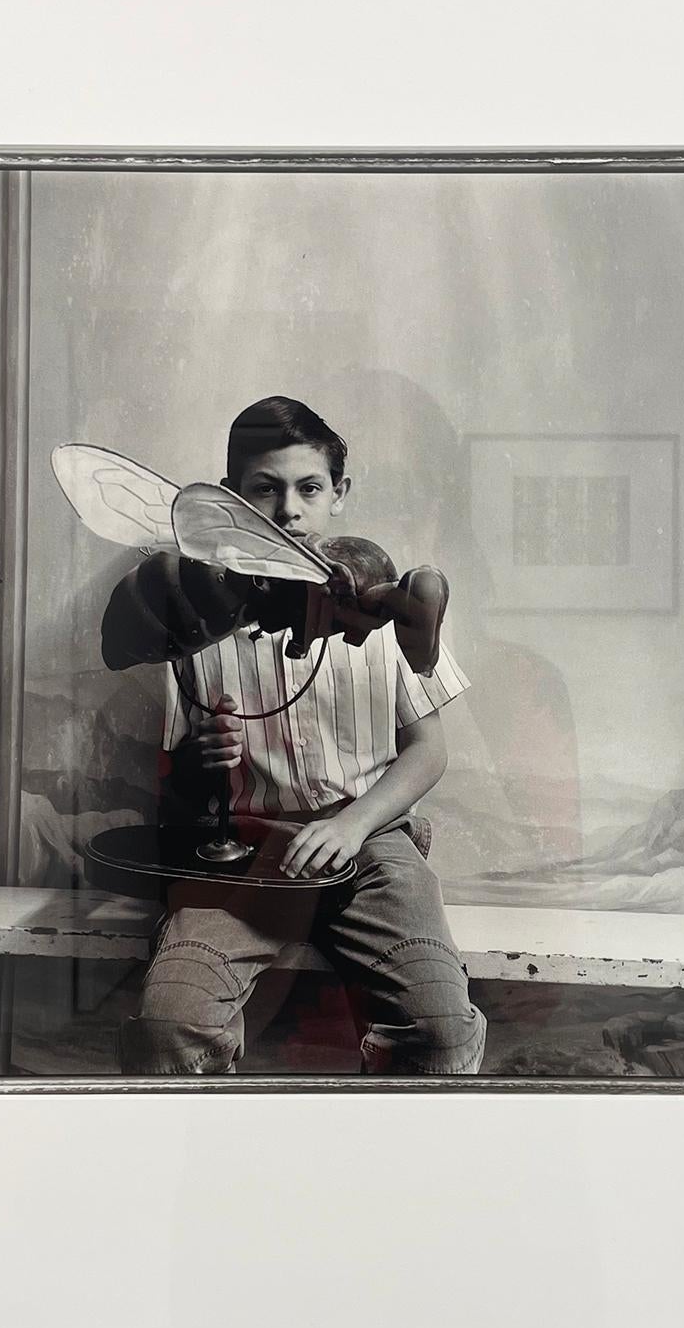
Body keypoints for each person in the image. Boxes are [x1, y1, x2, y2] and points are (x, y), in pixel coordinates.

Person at [103, 394, 487, 1078]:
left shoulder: (381, 597)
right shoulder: (197, 608)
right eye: (264, 489)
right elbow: (185, 770)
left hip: (369, 843)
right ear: (230, 499)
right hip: (245, 854)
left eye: (309, 488)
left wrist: (353, 825)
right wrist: (201, 758)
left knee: (440, 1029)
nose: (288, 511)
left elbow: (429, 750)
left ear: (340, 493)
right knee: (168, 1025)